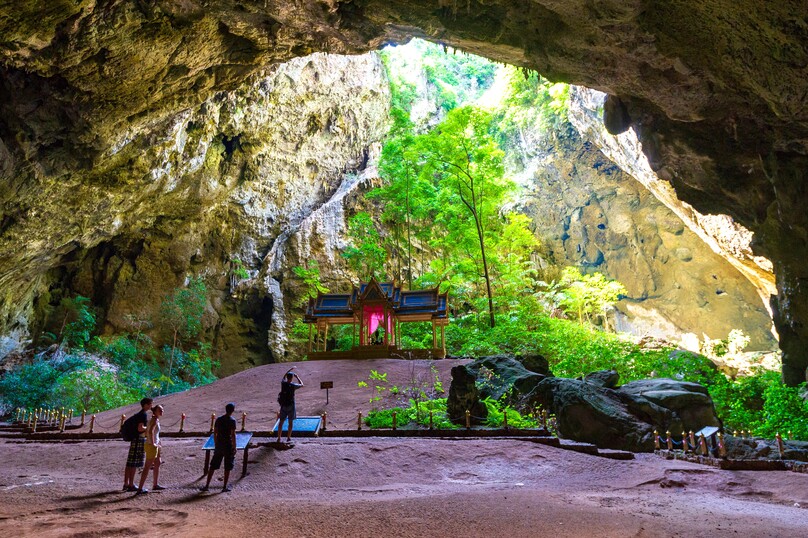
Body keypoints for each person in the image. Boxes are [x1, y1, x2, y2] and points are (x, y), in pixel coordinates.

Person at [201, 402, 237, 493]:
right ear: (233, 410)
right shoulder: (232, 421)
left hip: (219, 445)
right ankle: (224, 486)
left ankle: (207, 485)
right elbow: (233, 435)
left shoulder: (219, 420)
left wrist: (216, 443)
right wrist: (234, 446)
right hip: (228, 445)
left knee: (213, 465)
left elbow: (215, 432)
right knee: (227, 466)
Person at [123, 397, 152, 492]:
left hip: (134, 439)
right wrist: (148, 427)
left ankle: (126, 483)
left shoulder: (139, 414)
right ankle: (131, 484)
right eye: (150, 404)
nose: (151, 406)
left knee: (130, 462)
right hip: (138, 439)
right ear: (146, 405)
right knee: (134, 463)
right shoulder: (143, 415)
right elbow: (140, 428)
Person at [137, 404, 165, 494]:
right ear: (155, 411)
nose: (162, 412)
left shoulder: (154, 419)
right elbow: (150, 431)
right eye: (160, 410)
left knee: (158, 462)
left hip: (154, 444)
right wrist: (153, 443)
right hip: (151, 445)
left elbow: (152, 432)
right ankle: (140, 488)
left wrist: (158, 442)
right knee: (147, 467)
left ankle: (155, 484)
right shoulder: (155, 420)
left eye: (162, 410)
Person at [277, 367, 303, 444]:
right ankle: (288, 438)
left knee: (281, 422)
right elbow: (302, 384)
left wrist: (289, 370)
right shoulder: (293, 385)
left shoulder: (283, 384)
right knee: (290, 422)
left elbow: (283, 377)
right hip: (291, 405)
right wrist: (297, 377)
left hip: (283, 405)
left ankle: (278, 438)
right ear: (291, 378)